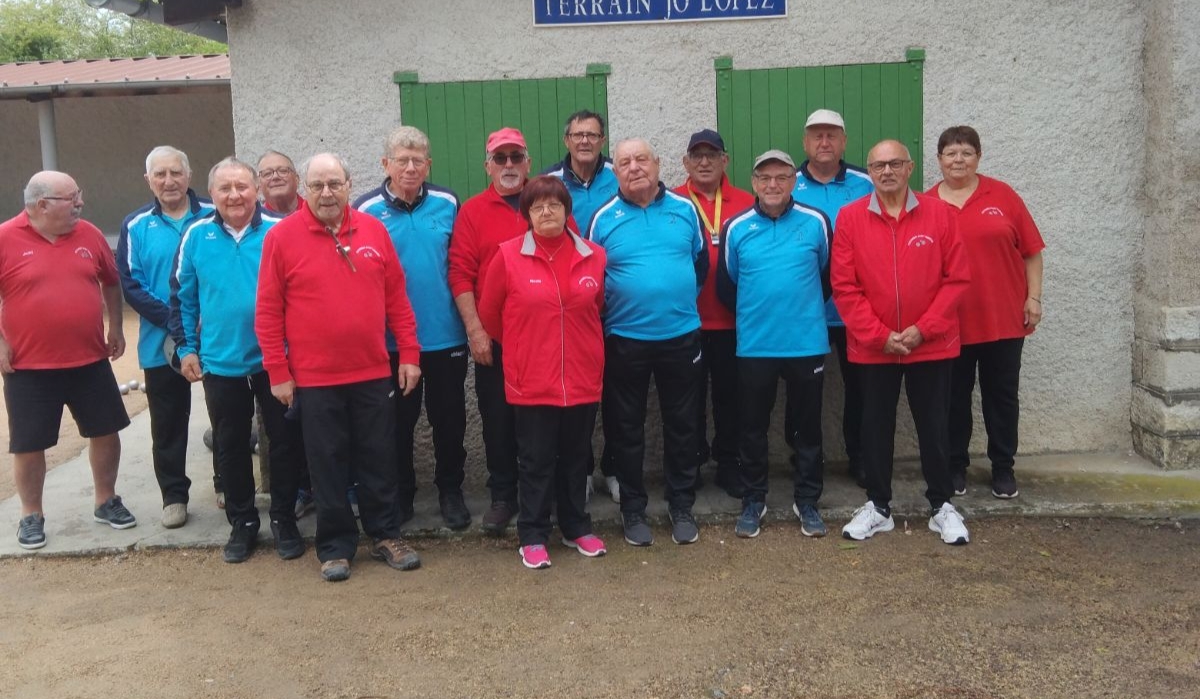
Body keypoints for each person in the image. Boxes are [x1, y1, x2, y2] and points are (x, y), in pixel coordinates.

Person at [256, 152, 423, 582]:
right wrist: (278, 371)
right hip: (314, 379)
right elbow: (268, 310)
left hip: (371, 372)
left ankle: (386, 535)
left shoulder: (374, 230)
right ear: (303, 190)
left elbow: (397, 300)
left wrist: (408, 354)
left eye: (334, 184)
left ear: (350, 184)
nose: (327, 193)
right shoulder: (282, 238)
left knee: (378, 457)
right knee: (325, 462)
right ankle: (334, 546)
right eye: (317, 186)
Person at [831, 140, 971, 546]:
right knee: (874, 426)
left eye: (894, 164)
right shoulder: (850, 218)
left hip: (931, 343)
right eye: (878, 165)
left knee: (935, 425)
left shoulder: (941, 215)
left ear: (910, 168)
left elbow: (957, 280)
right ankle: (878, 506)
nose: (886, 171)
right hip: (873, 347)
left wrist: (923, 328)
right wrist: (879, 335)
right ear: (869, 172)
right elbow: (844, 286)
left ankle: (942, 506)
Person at [169, 157, 304, 563]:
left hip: (276, 362)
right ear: (212, 195)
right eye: (225, 188)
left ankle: (283, 519)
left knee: (283, 442)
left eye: (242, 186)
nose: (234, 195)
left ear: (257, 190)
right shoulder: (195, 236)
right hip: (220, 362)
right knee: (229, 445)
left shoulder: (284, 232)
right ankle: (243, 524)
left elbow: (303, 294)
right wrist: (186, 348)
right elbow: (182, 299)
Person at [451, 127, 577, 535]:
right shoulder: (471, 212)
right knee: (499, 420)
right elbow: (461, 276)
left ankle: (547, 498)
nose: (508, 165)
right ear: (488, 165)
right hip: (497, 341)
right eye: (500, 158)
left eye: (515, 157)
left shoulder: (550, 203)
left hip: (545, 342)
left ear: (527, 161)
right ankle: (504, 495)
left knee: (548, 423)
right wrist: (476, 332)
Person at [478, 176, 608, 569]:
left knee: (575, 457)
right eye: (538, 207)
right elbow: (490, 314)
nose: (547, 212)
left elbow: (596, 306)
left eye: (554, 204)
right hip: (532, 379)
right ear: (528, 215)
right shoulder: (507, 255)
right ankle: (533, 533)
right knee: (534, 460)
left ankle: (575, 527)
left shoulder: (594, 255)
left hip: (581, 378)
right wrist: (525, 348)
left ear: (567, 211)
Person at [2, 171, 135, 549]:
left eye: (80, 195)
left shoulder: (89, 235)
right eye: (71, 198)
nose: (80, 204)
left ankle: (106, 499)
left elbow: (111, 281)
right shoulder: (5, 238)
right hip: (28, 366)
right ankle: (31, 515)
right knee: (29, 444)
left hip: (89, 359)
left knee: (105, 431)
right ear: (42, 205)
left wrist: (116, 327)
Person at [586, 138, 708, 547]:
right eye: (625, 162)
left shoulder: (685, 210)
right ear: (615, 172)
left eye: (642, 159)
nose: (634, 167)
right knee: (626, 429)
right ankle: (633, 509)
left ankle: (681, 506)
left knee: (683, 426)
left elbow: (700, 266)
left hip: (681, 336)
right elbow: (593, 280)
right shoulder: (603, 218)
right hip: (625, 340)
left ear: (658, 165)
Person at [355, 126, 471, 530]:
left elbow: (460, 266)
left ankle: (450, 492)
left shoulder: (448, 203)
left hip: (445, 337)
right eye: (401, 159)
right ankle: (401, 494)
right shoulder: (364, 210)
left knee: (449, 421)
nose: (409, 167)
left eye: (417, 160)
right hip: (389, 343)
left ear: (428, 165)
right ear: (385, 164)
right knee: (396, 425)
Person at [716, 150, 832, 539]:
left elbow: (826, 279)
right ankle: (754, 500)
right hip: (755, 346)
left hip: (806, 343)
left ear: (793, 181)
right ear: (753, 183)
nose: (773, 185)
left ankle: (808, 500)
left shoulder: (816, 223)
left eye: (781, 177)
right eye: (765, 178)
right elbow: (727, 287)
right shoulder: (737, 227)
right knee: (751, 427)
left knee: (807, 427)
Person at [929, 125, 1045, 499]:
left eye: (966, 152)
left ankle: (1003, 467)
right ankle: (955, 465)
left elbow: (1031, 251)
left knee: (1001, 396)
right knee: (953, 398)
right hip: (950, 322)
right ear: (939, 160)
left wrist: (1035, 298)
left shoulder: (1003, 195)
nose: (958, 160)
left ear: (978, 157)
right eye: (951, 153)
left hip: (1003, 318)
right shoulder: (927, 203)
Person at [117, 146, 217, 526]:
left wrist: (204, 320)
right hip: (160, 345)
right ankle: (174, 496)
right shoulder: (136, 225)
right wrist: (180, 322)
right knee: (168, 423)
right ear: (148, 181)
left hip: (216, 337)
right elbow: (132, 285)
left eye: (175, 173)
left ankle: (226, 484)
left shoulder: (214, 213)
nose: (168, 181)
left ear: (189, 176)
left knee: (225, 416)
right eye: (160, 175)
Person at [790, 109, 875, 487]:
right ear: (805, 143)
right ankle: (805, 461)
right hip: (805, 310)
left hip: (857, 310)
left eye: (831, 136)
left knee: (862, 389)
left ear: (843, 142)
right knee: (802, 392)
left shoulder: (866, 183)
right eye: (816, 136)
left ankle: (860, 456)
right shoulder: (786, 184)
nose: (824, 143)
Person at [673, 128, 755, 498]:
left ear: (725, 161)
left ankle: (729, 464)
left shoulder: (748, 201)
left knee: (731, 398)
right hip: (683, 322)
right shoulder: (671, 202)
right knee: (686, 401)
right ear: (686, 162)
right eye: (697, 155)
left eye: (712, 155)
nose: (704, 162)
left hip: (733, 321)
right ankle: (688, 466)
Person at [543, 110, 620, 502]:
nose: (585, 141)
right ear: (566, 140)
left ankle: (614, 467)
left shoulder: (620, 175)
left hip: (616, 307)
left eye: (592, 135)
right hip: (570, 307)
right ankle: (582, 471)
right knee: (577, 395)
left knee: (617, 394)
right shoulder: (548, 183)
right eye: (578, 135)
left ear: (602, 140)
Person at [257, 150, 302, 216]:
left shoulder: (315, 213)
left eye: (282, 171)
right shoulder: (254, 222)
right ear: (259, 185)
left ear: (297, 179)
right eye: (267, 173)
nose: (275, 177)